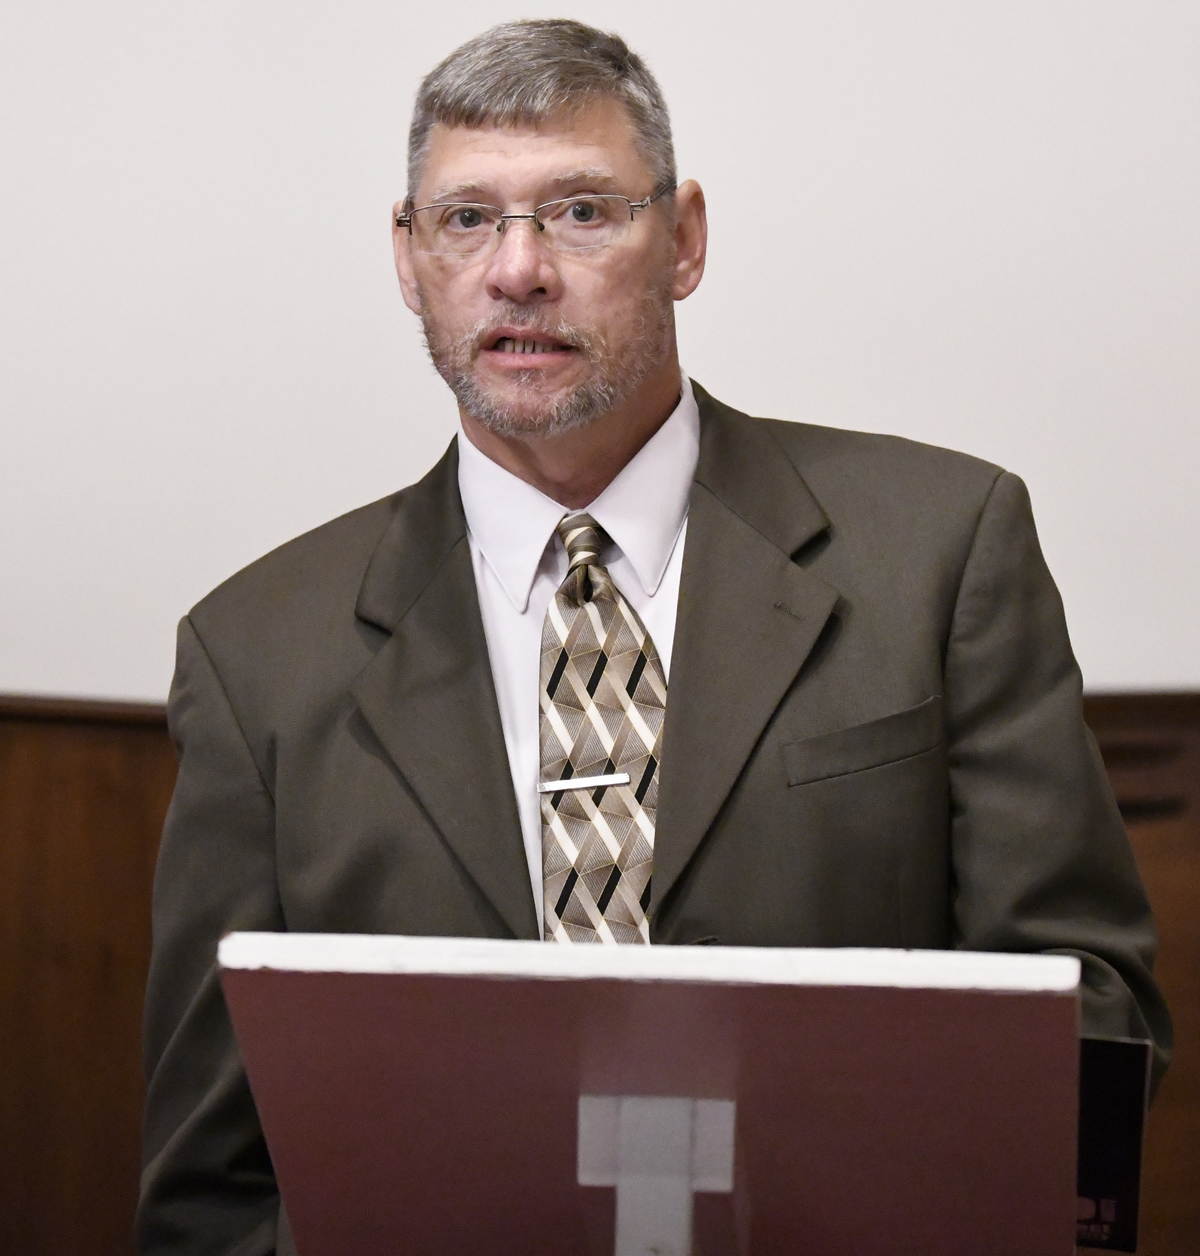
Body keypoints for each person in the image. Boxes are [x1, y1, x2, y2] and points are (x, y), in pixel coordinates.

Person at [137, 18, 1171, 1254]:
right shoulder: (257, 656)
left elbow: (1096, 1021)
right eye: (467, 219)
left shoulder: (941, 551)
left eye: (581, 211)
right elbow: (209, 1194)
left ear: (681, 240)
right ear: (408, 259)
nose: (518, 270)